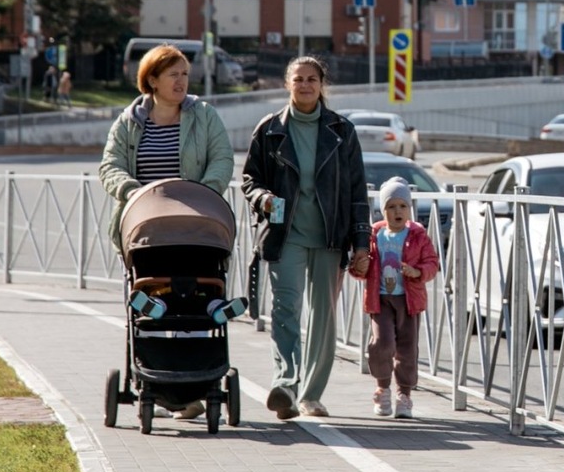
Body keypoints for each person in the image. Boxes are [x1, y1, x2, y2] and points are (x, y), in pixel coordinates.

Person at [98, 42, 239, 420]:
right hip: (146, 231)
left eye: (185, 74)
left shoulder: (203, 115)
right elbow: (110, 165)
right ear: (153, 80)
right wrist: (132, 192)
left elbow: (222, 158)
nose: (181, 81)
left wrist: (203, 194)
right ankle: (155, 380)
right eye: (173, 74)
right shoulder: (129, 121)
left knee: (194, 303)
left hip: (194, 226)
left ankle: (193, 385)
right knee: (153, 307)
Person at [241, 55, 371, 420]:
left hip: (331, 236)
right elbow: (250, 180)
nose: (305, 85)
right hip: (286, 234)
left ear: (322, 84)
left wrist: (362, 243)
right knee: (286, 309)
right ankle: (285, 384)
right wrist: (263, 199)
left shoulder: (342, 131)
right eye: (298, 79)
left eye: (312, 79)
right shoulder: (270, 130)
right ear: (287, 84)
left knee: (323, 318)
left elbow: (358, 192)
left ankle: (312, 395)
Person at [350, 177, 440, 419]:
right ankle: (383, 388)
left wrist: (418, 272)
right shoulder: (376, 235)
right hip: (380, 300)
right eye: (391, 206)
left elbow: (432, 263)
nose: (397, 211)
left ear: (409, 210)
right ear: (383, 210)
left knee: (407, 348)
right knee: (382, 343)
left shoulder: (418, 235)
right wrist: (359, 266)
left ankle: (404, 395)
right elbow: (360, 267)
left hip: (409, 301)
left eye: (402, 206)